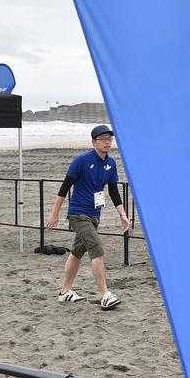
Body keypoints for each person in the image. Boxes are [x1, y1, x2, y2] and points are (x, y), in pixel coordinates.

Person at [44, 124, 130, 310]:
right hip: (78, 214)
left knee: (77, 252)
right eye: (103, 139)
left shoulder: (111, 164)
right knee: (96, 248)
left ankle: (65, 291)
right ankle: (105, 294)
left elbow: (114, 191)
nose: (107, 142)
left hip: (94, 214)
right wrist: (54, 214)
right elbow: (64, 188)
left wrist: (122, 214)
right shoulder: (81, 161)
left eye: (109, 139)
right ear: (93, 142)